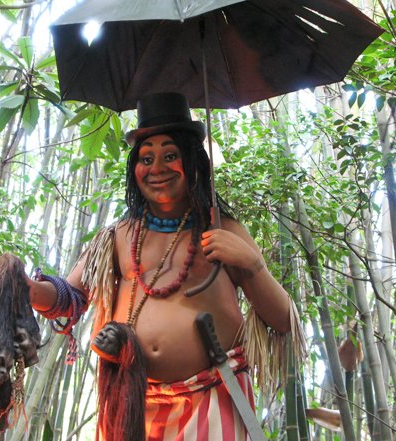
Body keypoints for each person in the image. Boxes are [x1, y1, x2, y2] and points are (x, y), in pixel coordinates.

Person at [27, 92, 304, 440]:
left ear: (193, 162)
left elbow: (284, 321)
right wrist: (28, 290)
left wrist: (253, 265)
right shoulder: (117, 236)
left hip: (212, 400)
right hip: (131, 404)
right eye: (147, 158)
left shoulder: (223, 230)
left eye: (170, 156)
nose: (156, 168)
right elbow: (70, 298)